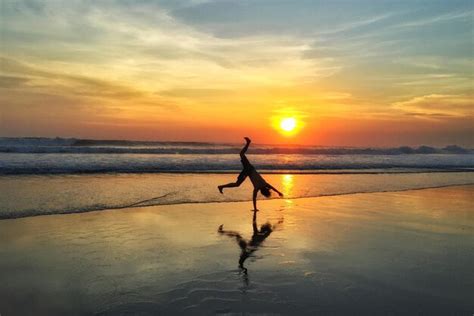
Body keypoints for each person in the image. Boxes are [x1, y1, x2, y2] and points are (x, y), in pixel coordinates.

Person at [218, 137, 283, 211]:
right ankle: (248, 142)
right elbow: (254, 198)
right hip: (248, 170)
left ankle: (221, 187)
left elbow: (272, 188)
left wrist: (278, 192)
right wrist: (255, 208)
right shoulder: (257, 188)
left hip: (249, 169)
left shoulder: (265, 184)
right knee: (241, 154)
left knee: (237, 184)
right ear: (262, 192)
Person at [218, 210, 283, 272]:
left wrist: (254, 216)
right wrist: (279, 222)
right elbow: (273, 227)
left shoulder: (261, 234)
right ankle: (221, 232)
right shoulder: (263, 235)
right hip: (249, 248)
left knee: (237, 237)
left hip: (248, 249)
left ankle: (243, 271)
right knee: (237, 236)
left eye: (262, 226)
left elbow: (256, 224)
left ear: (263, 228)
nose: (261, 226)